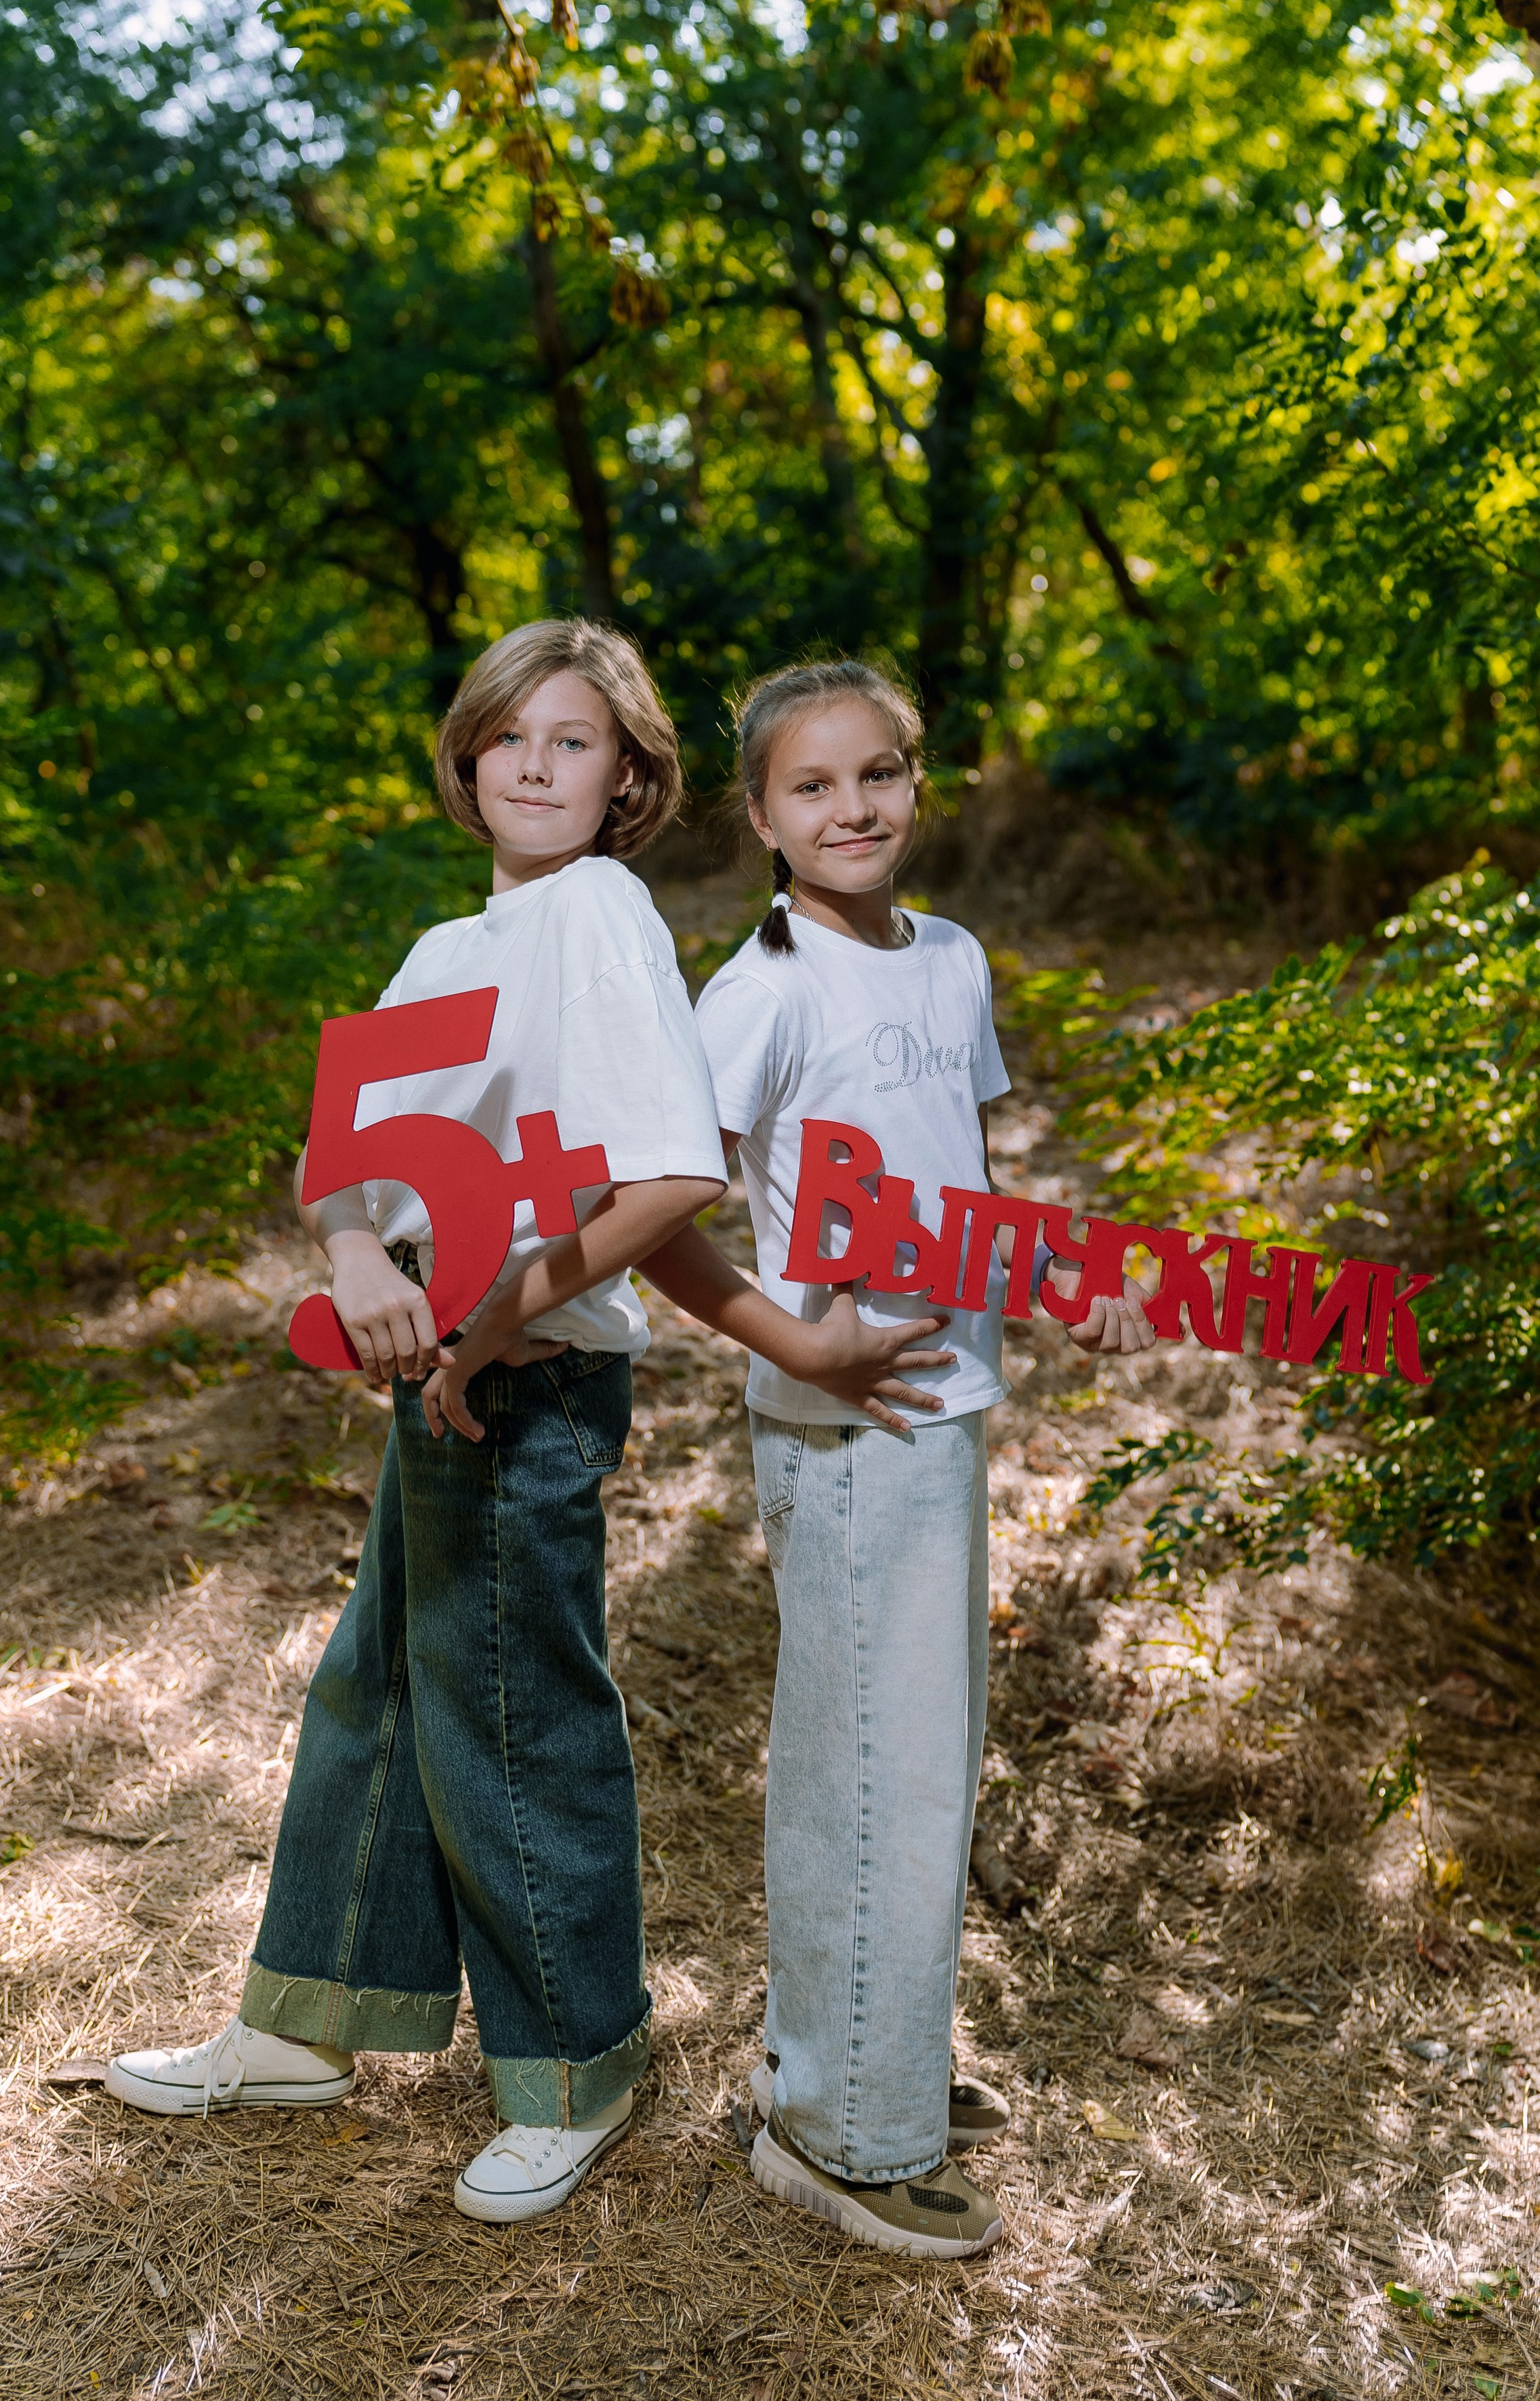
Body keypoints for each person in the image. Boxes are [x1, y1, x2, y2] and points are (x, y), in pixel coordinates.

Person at [104, 621, 951, 2228]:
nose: (539, 766)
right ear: (468, 763)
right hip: (442, 1372)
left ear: (628, 775)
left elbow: (666, 1176)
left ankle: (581, 2056)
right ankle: (302, 2021)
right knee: (373, 1692)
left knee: (508, 1708)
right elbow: (342, 1166)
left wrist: (486, 1326)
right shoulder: (448, 946)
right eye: (510, 740)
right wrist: (362, 1257)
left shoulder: (597, 916)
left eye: (576, 742)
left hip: (533, 1377)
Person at [638, 659, 1154, 2261]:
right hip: (845, 1421)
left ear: (917, 784)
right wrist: (796, 1345)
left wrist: (1067, 1282)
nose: (848, 809)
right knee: (878, 1759)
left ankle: (861, 2055)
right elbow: (659, 1207)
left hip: (944, 1400)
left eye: (876, 776)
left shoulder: (947, 959)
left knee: (914, 1741)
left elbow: (962, 1185)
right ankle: (843, 2134)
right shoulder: (763, 988)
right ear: (758, 815)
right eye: (810, 787)